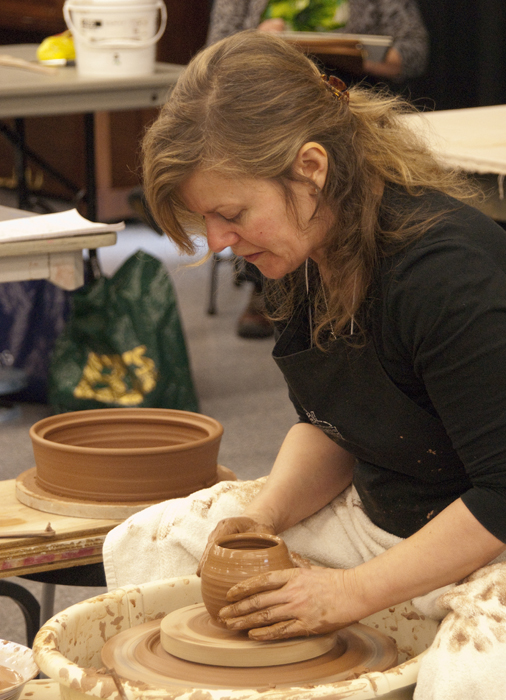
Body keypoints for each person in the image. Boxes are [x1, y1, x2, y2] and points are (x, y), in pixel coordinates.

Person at [136, 31, 506, 696]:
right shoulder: (301, 255)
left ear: (310, 168)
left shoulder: (446, 276)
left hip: (485, 536)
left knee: (476, 670)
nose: (219, 242)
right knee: (162, 540)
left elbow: (504, 495)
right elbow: (334, 426)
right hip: (392, 512)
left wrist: (350, 593)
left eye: (230, 214)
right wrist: (264, 518)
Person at [206, 0, 429, 337]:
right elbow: (210, 63)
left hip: (353, 110)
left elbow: (413, 53)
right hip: (266, 117)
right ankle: (271, 286)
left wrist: (349, 53)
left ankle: (359, 288)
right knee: (262, 177)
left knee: (327, 172)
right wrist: (257, 44)